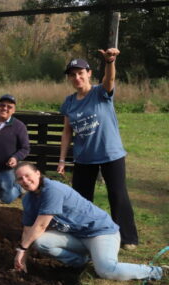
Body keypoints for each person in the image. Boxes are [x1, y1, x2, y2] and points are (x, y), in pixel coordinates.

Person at [13, 162, 164, 280]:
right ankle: (81, 262)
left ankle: (157, 272)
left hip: (100, 233)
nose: (25, 180)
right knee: (41, 242)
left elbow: (40, 225)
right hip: (77, 237)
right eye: (20, 178)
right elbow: (28, 229)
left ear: (38, 173)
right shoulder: (28, 200)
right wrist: (22, 259)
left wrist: (22, 249)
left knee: (106, 271)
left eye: (27, 175)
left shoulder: (52, 190)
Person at [57, 49, 139, 250]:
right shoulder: (68, 102)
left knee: (118, 195)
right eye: (72, 75)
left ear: (88, 73)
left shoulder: (100, 92)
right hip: (84, 157)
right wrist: (61, 160)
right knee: (81, 199)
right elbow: (67, 132)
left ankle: (128, 238)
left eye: (80, 73)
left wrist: (110, 62)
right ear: (69, 78)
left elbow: (109, 79)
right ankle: (86, 233)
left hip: (110, 154)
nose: (77, 77)